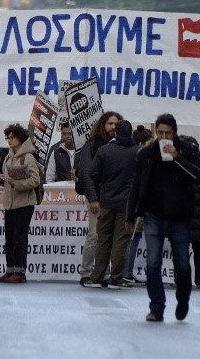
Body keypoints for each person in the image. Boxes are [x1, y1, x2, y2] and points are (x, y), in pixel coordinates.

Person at [126, 113, 200, 322]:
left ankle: (183, 299)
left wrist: (178, 158)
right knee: (152, 264)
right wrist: (131, 215)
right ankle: (157, 307)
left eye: (168, 133)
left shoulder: (187, 150)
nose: (164, 136)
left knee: (182, 264)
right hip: (153, 215)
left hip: (180, 217)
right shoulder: (147, 154)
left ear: (175, 133)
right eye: (160, 132)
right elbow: (137, 185)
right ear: (156, 132)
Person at [86, 119, 140, 289]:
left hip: (107, 201)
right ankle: (116, 279)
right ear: (131, 134)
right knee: (121, 242)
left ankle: (96, 278)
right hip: (127, 203)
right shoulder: (138, 152)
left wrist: (106, 181)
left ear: (115, 133)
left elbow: (92, 173)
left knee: (103, 240)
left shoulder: (104, 150)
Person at [75, 111, 121, 286]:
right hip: (98, 199)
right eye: (110, 123)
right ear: (103, 125)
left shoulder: (120, 146)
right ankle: (86, 273)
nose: (113, 127)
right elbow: (86, 173)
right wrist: (93, 198)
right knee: (94, 236)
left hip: (114, 199)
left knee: (107, 239)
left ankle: (103, 273)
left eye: (116, 124)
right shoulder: (93, 144)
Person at [0, 124, 42, 283]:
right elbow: (10, 180)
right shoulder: (9, 156)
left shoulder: (28, 156)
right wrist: (3, 180)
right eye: (7, 137)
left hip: (24, 203)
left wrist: (16, 183)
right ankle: (10, 269)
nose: (9, 140)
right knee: (9, 238)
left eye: (12, 137)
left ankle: (20, 271)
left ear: (20, 138)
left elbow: (35, 180)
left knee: (19, 238)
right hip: (10, 203)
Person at [124, 126, 154, 285]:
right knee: (133, 239)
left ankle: (126, 272)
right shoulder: (141, 158)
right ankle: (127, 273)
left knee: (131, 239)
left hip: (130, 202)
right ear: (142, 143)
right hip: (136, 204)